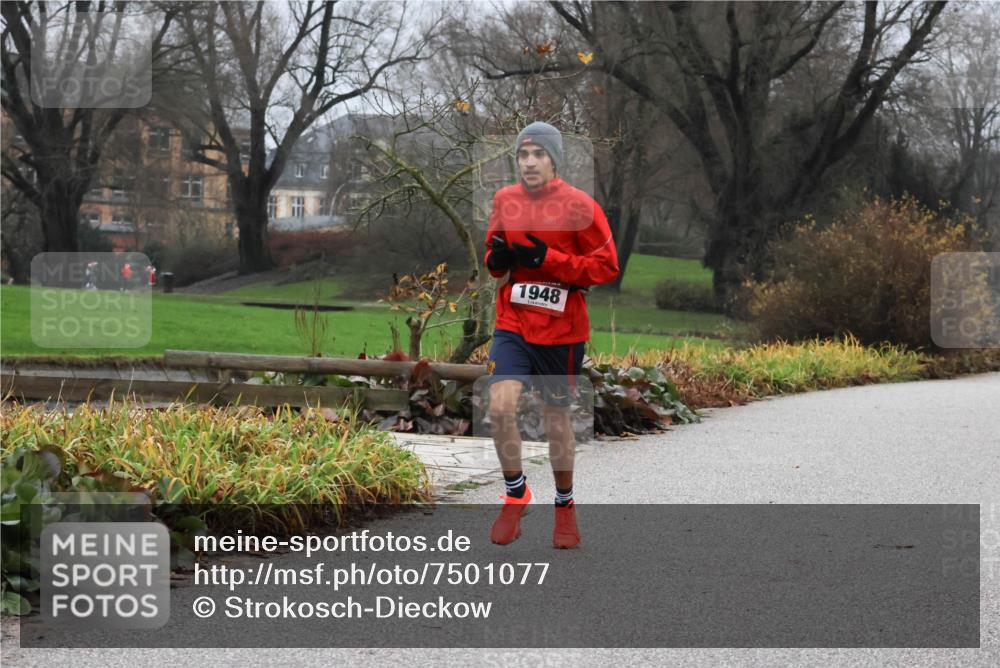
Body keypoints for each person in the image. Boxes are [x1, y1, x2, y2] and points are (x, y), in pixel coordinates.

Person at [483, 121, 620, 549]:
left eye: (537, 154)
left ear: (553, 159)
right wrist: (497, 256)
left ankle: (565, 505)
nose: (528, 163)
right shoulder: (505, 199)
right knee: (499, 406)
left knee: (555, 421)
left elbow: (606, 267)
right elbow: (493, 259)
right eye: (522, 155)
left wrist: (549, 258)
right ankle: (516, 492)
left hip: (562, 331)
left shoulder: (580, 207)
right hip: (514, 322)